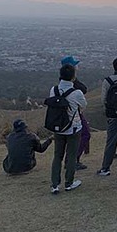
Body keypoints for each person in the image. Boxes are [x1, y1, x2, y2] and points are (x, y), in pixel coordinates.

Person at [49, 64, 87, 194]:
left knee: (57, 156)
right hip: (73, 128)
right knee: (71, 156)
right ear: (73, 77)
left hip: (58, 128)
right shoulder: (77, 93)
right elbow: (83, 106)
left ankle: (55, 184)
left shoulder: (53, 90)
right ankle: (69, 183)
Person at [60, 56, 91, 171]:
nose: (77, 66)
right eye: (75, 65)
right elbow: (83, 89)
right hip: (74, 114)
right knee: (85, 134)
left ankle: (71, 160)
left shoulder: (60, 84)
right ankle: (73, 160)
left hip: (66, 114)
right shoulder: (72, 84)